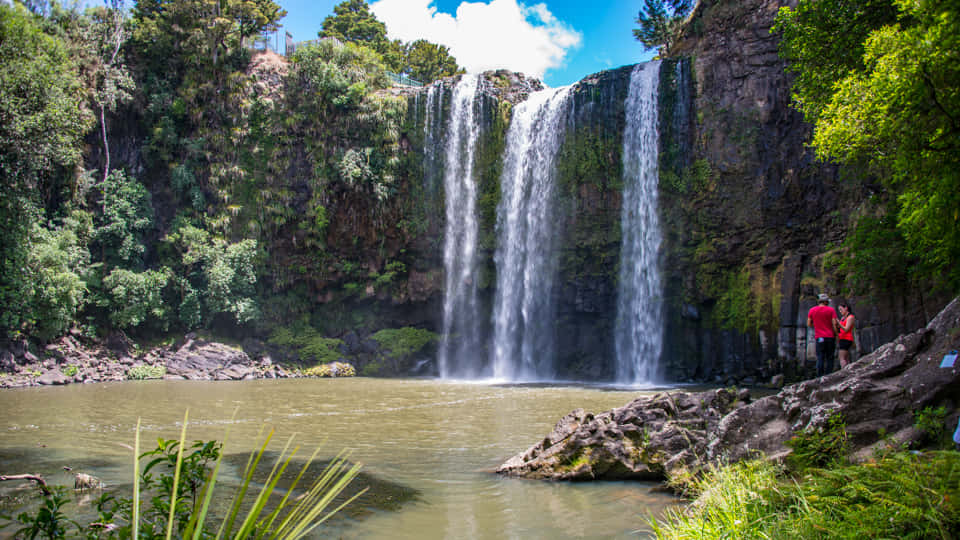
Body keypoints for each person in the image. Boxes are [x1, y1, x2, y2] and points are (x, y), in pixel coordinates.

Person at [807, 293, 838, 377]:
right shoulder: (831, 310)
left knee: (820, 357)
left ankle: (819, 376)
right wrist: (836, 334)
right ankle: (828, 375)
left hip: (819, 337)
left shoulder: (812, 310)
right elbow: (834, 323)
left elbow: (809, 323)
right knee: (830, 357)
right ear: (826, 302)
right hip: (830, 337)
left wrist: (817, 325)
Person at [836, 302, 856, 368]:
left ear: (846, 308)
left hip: (846, 339)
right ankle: (848, 370)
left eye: (841, 309)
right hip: (842, 338)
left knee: (841, 357)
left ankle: (844, 372)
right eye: (839, 310)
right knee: (846, 358)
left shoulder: (850, 317)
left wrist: (839, 323)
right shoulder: (842, 318)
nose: (840, 311)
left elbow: (846, 329)